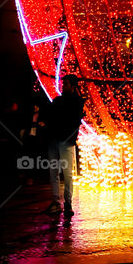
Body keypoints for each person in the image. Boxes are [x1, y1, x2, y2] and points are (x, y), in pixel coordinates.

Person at [44, 75, 84, 217]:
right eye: (63, 83)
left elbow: (75, 121)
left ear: (73, 86)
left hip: (64, 140)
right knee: (55, 171)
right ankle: (58, 201)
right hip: (58, 139)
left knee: (66, 173)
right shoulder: (60, 101)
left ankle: (67, 202)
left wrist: (68, 137)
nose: (63, 86)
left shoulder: (76, 101)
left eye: (66, 84)